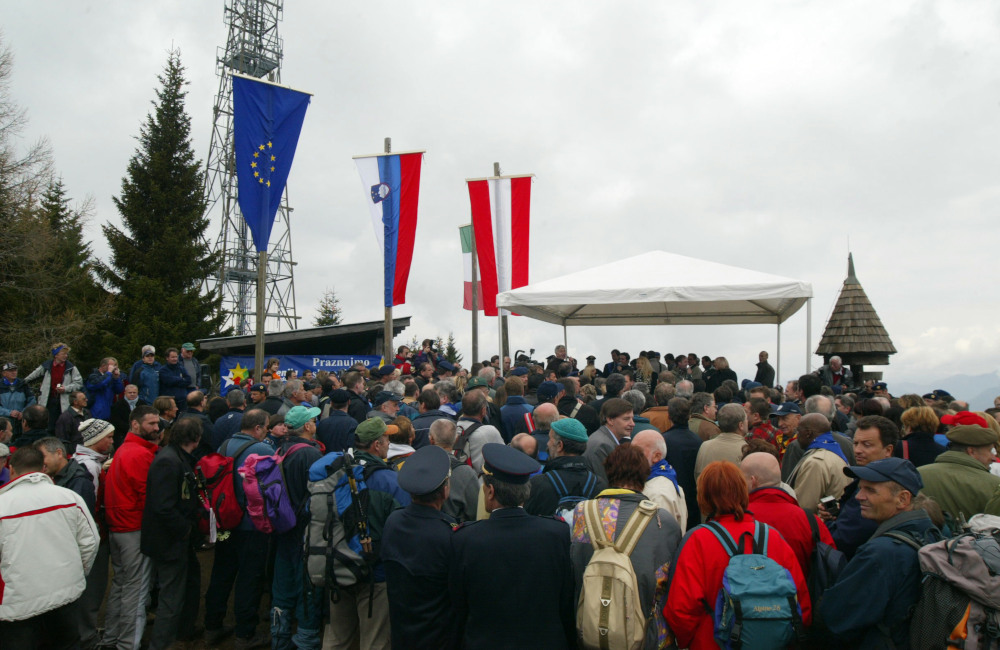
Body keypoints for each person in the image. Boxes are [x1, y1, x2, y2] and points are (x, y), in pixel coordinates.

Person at [664, 461, 811, 648]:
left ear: (704, 497)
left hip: (713, 642)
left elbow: (680, 610)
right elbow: (801, 602)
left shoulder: (698, 539)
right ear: (743, 491)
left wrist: (692, 641)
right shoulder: (773, 537)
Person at [450, 443, 576, 648]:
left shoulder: (466, 538)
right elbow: (565, 601)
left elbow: (459, 606)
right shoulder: (556, 533)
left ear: (490, 492)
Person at [820, 458, 942, 648]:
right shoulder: (932, 532)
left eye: (870, 490)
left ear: (902, 499)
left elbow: (838, 618)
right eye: (861, 488)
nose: (859, 496)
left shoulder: (880, 553)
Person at [570, 444, 681, 649]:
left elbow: (577, 567)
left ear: (608, 471)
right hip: (647, 635)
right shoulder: (662, 522)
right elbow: (667, 584)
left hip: (591, 629)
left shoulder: (582, 513)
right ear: (644, 475)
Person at [324, 417, 409, 650]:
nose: (389, 443)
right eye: (387, 439)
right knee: (375, 641)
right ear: (376, 445)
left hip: (338, 562)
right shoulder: (391, 480)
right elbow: (404, 526)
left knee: (336, 638)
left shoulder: (336, 470)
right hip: (375, 574)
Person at [0, 447, 99, 647]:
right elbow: (91, 541)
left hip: (17, 606)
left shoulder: (3, 506)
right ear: (43, 468)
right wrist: (77, 574)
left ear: (11, 469)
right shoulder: (70, 498)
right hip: (65, 596)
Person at [203, 408, 273, 649]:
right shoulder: (263, 450)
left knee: (222, 573)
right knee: (249, 577)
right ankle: (245, 633)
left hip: (225, 522)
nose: (267, 432)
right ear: (257, 428)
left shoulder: (224, 445)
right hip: (251, 526)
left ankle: (212, 625)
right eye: (266, 427)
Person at [382, 445, 456, 649]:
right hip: (439, 635)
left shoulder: (393, 521)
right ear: (444, 491)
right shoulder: (449, 533)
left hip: (402, 632)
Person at [141, 417, 204, 649]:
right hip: (169, 541)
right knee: (171, 596)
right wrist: (186, 530)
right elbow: (163, 506)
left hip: (177, 539)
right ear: (195, 439)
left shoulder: (177, 457)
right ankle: (162, 644)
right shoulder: (169, 461)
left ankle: (183, 630)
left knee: (187, 584)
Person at [102, 404, 160, 650]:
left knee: (121, 586)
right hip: (132, 528)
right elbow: (147, 494)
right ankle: (127, 644)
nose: (156, 428)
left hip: (121, 527)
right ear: (135, 424)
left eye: (158, 424)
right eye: (151, 424)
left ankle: (111, 639)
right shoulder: (137, 453)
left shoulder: (127, 449)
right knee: (135, 591)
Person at [270, 405, 325, 650]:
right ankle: (306, 639)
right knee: (306, 585)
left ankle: (278, 636)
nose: (316, 422)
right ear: (306, 426)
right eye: (313, 419)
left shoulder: (280, 448)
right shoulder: (309, 454)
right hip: (305, 527)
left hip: (283, 524)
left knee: (282, 583)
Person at [742, 452, 835, 576]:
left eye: (741, 478)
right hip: (800, 592)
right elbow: (830, 560)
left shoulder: (738, 517)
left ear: (753, 481)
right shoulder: (810, 521)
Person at [822, 415, 898, 559]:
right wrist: (837, 515)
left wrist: (825, 525)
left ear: (888, 450)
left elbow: (845, 538)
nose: (857, 450)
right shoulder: (866, 478)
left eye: (866, 445)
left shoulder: (880, 487)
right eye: (856, 443)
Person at [918, 412, 1000, 521]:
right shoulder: (994, 485)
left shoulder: (918, 474)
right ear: (971, 452)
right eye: (990, 451)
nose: (994, 457)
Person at [525, 418, 606, 519]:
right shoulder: (599, 485)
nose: (547, 444)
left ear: (560, 445)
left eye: (550, 439)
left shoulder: (538, 484)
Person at [786, 412, 852, 514]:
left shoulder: (815, 462)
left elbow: (804, 507)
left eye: (799, 431)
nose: (797, 436)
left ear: (808, 433)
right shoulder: (833, 452)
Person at [632, 429, 688, 533]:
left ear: (656, 456)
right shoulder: (664, 480)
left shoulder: (658, 493)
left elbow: (661, 536)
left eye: (637, 451)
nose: (630, 455)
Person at [24, 342, 83, 433]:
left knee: (62, 425)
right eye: (63, 354)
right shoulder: (47, 366)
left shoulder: (71, 368)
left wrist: (66, 388)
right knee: (47, 424)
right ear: (56, 355)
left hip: (63, 401)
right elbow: (33, 375)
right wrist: (22, 383)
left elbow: (78, 383)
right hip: (48, 400)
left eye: (66, 354)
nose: (66, 356)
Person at [428, 419, 479, 523]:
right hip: (455, 533)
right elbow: (474, 512)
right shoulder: (466, 473)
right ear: (456, 440)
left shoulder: (418, 466)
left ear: (431, 439)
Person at [663, 396, 703, 525]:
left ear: (669, 416)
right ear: (689, 416)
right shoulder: (698, 441)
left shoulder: (664, 440)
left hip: (671, 496)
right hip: (693, 498)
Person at [694, 403, 748, 483]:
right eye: (746, 419)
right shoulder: (746, 450)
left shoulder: (705, 446)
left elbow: (697, 476)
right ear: (741, 425)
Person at [584, 397, 635, 483]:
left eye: (632, 418)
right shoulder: (602, 445)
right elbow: (606, 483)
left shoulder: (605, 440)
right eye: (626, 419)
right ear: (610, 420)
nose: (632, 424)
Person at [315, 388, 357, 452]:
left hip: (326, 459)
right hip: (345, 459)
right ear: (349, 402)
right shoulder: (352, 423)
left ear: (331, 403)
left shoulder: (323, 423)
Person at [85, 357, 125, 421]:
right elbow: (99, 384)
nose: (113, 368)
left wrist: (116, 378)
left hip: (108, 411)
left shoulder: (110, 377)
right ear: (103, 366)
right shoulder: (93, 376)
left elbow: (119, 390)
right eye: (111, 366)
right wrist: (109, 373)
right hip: (95, 412)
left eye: (115, 365)